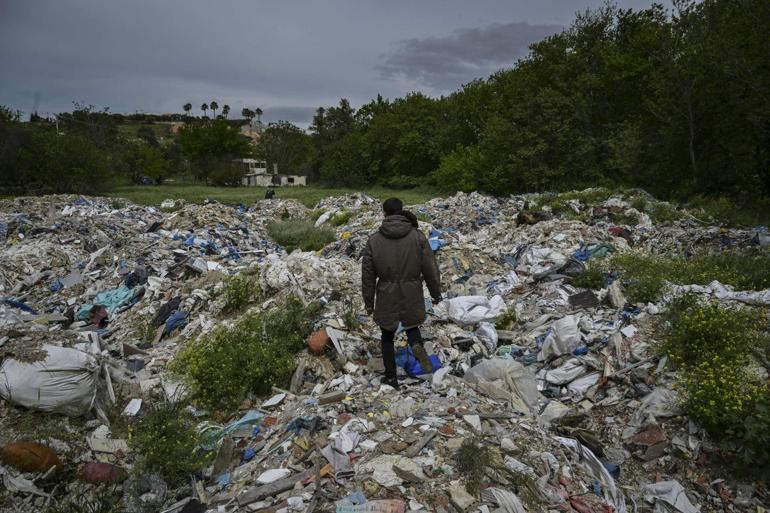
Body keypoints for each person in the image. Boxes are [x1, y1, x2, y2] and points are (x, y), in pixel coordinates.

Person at [362, 197, 442, 388]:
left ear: (384, 213)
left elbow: (368, 275)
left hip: (386, 291)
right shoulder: (417, 237)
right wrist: (435, 293)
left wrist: (368, 302)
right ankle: (416, 344)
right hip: (411, 289)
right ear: (401, 210)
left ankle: (391, 377)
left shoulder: (374, 240)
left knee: (387, 335)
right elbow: (430, 268)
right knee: (411, 325)